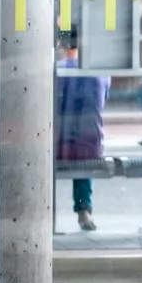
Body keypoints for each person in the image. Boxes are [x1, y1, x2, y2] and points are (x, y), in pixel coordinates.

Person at [55, 28, 109, 232]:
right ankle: (84, 210)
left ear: (60, 45)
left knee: (66, 143)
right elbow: (102, 100)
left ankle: (47, 213)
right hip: (90, 149)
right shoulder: (98, 72)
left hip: (56, 149)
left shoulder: (54, 71)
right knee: (84, 144)